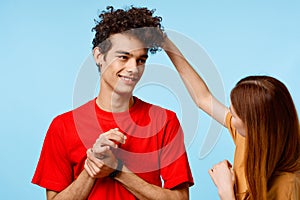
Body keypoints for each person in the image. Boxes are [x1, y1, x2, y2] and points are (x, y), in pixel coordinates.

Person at [32, 6, 194, 200]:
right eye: (123, 57)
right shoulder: (62, 127)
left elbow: (181, 199)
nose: (133, 68)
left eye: (141, 60)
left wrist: (118, 170)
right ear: (99, 56)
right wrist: (93, 167)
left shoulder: (165, 121)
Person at [162, 37, 300, 199]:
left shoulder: (288, 186)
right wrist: (165, 43)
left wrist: (226, 191)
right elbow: (203, 99)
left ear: (254, 125)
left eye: (233, 115)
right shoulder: (249, 138)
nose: (229, 119)